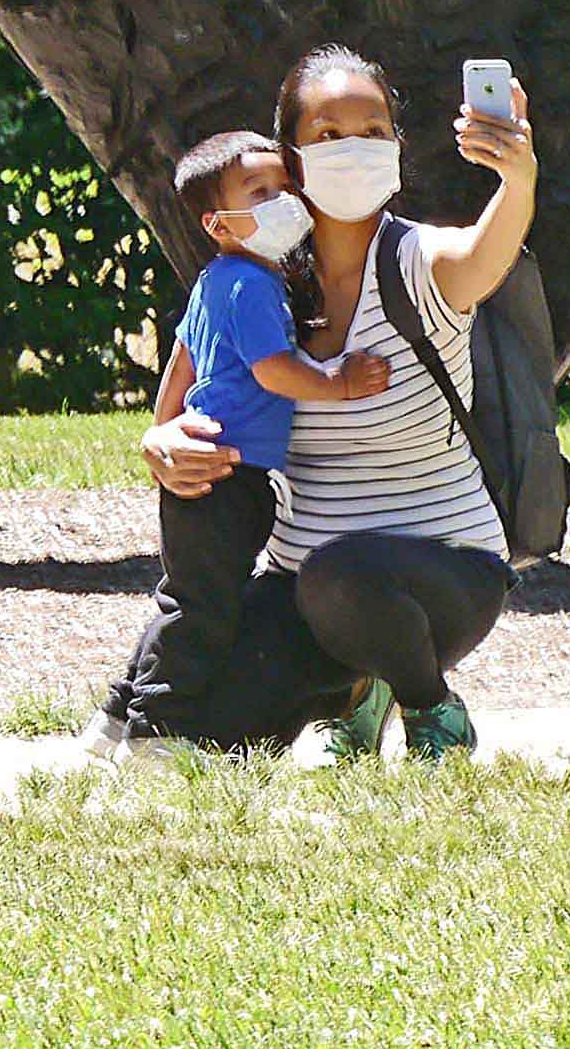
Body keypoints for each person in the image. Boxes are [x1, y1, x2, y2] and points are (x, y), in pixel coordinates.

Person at [142, 44, 544, 761]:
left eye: (373, 130)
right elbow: (181, 395)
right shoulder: (258, 284)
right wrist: (163, 444)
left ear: (396, 147)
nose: (352, 148)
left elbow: (488, 251)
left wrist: (517, 180)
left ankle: (429, 707)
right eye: (327, 135)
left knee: (342, 574)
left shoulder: (422, 262)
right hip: (302, 589)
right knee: (211, 729)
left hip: (440, 577)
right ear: (289, 161)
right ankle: (354, 691)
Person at [96, 129, 398, 739]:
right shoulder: (253, 283)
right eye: (259, 192)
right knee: (201, 608)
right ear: (220, 223)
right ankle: (157, 729)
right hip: (231, 474)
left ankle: (114, 718)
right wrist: (338, 382)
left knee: (183, 595)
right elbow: (272, 370)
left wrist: (164, 430)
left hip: (205, 467)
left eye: (284, 186)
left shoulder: (214, 281)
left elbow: (179, 367)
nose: (282, 200)